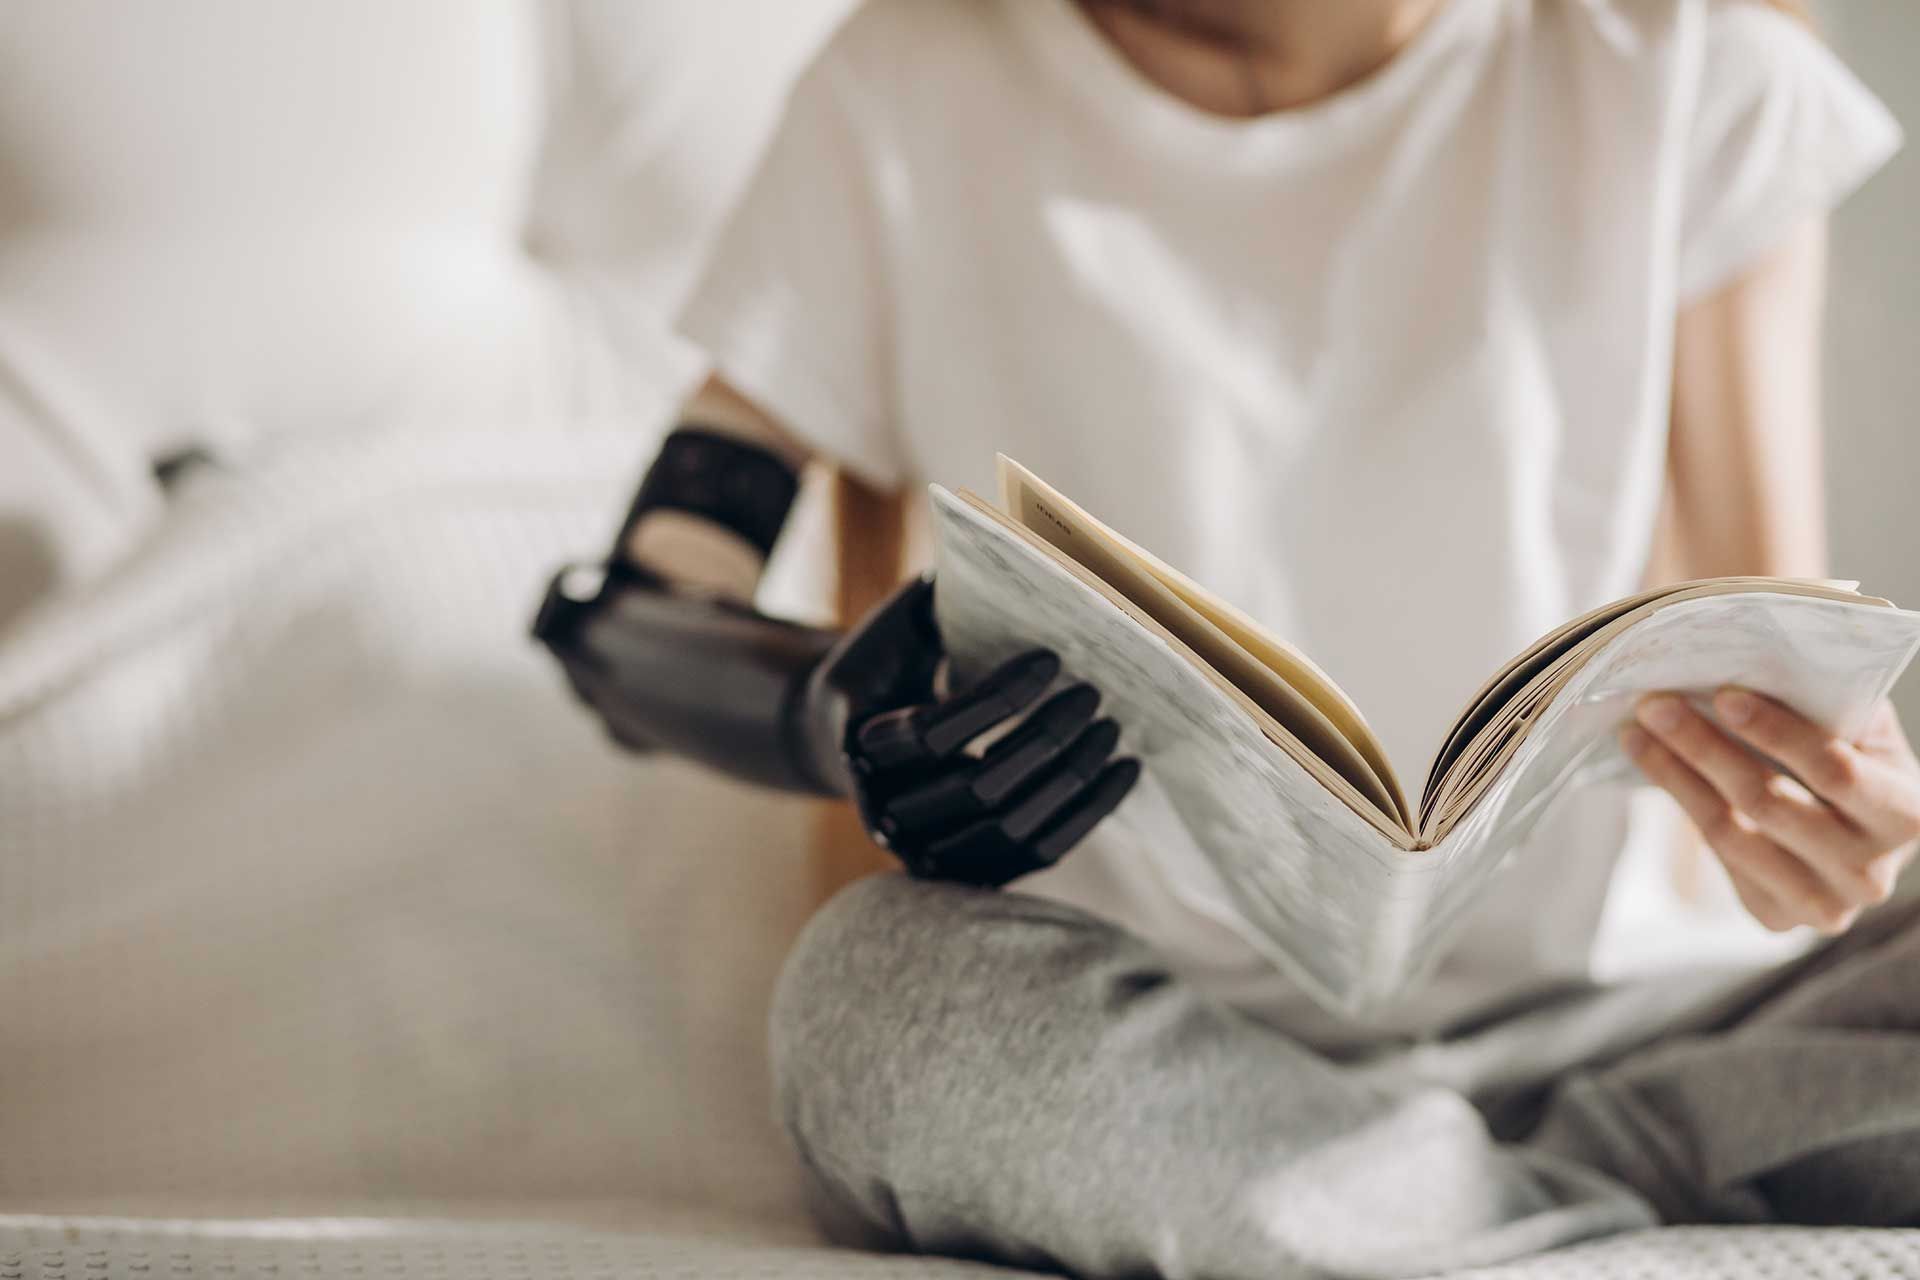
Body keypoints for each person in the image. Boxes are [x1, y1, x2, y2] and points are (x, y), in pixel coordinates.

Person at [535, 0, 1920, 1274]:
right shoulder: (909, 83)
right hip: (1147, 1048)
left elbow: (1773, 651)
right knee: (876, 1007)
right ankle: (1588, 1227)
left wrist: (1830, 817)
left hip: (1617, 1031)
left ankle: (1445, 1217)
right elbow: (636, 607)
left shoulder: (1679, 66)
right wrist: (826, 715)